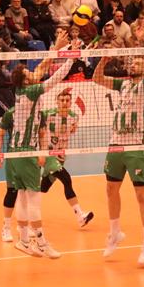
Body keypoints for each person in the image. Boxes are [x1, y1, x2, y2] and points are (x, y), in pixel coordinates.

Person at [0, 62, 73, 257]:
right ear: (25, 80)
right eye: (28, 72)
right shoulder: (31, 92)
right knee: (34, 201)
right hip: (26, 152)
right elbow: (55, 79)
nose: (33, 72)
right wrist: (71, 60)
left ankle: (23, 241)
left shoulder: (23, 91)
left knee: (22, 197)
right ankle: (42, 243)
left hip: (14, 154)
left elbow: (41, 68)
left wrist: (57, 50)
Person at [93, 54, 144, 265]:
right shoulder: (123, 85)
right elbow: (97, 79)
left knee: (141, 195)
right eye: (132, 62)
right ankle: (115, 233)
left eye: (138, 63)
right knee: (111, 189)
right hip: (115, 144)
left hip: (134, 146)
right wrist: (103, 60)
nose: (133, 65)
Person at [40, 87, 95, 230]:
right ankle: (80, 216)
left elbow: (72, 130)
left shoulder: (74, 116)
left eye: (67, 100)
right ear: (56, 102)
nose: (64, 102)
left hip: (61, 156)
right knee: (66, 179)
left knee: (43, 188)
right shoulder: (47, 115)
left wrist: (73, 128)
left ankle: (24, 203)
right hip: (48, 153)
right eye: (62, 100)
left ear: (70, 102)